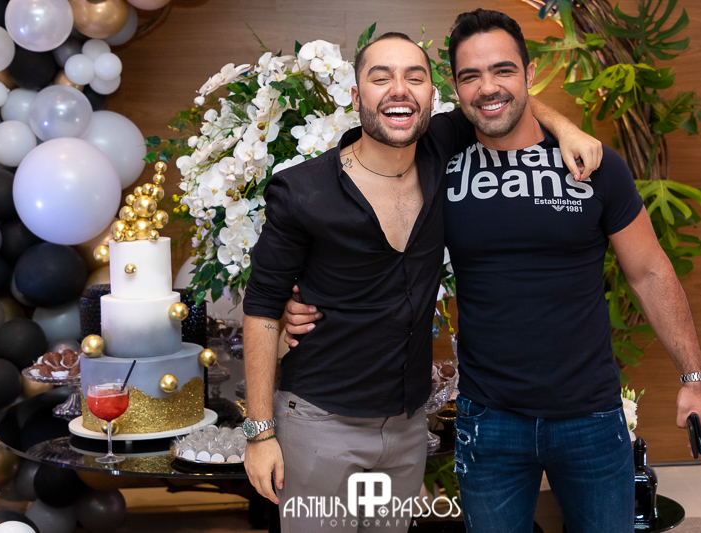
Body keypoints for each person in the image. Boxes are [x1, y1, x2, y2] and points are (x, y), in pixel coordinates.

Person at [282, 9, 701, 533]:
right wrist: (294, 298)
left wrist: (694, 379)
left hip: (591, 418)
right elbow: (364, 221)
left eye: (503, 70)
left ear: (529, 74)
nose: (488, 87)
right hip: (488, 423)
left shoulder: (593, 165)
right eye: (470, 76)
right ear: (454, 89)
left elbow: (649, 272)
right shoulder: (437, 161)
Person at [241, 30, 600, 533]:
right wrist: (259, 434)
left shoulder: (439, 150)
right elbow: (261, 307)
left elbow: (502, 95)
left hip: (406, 429)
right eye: (381, 78)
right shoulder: (303, 191)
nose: (399, 90)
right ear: (355, 96)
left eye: (414, 77)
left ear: (432, 95)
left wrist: (566, 129)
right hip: (319, 423)